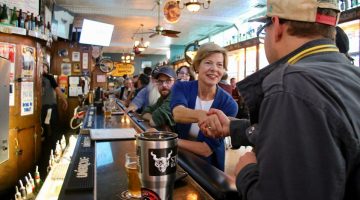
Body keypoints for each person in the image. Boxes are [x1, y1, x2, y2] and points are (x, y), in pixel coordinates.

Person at [199, 0, 360, 199]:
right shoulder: (351, 75)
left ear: (276, 26)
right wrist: (234, 128)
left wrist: (246, 172)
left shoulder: (290, 85)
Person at [170, 42, 238, 171]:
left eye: (220, 65)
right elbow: (178, 113)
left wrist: (170, 142)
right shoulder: (182, 87)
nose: (214, 69)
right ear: (197, 66)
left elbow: (205, 149)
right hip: (180, 161)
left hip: (208, 169)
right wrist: (201, 115)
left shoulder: (229, 104)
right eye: (208, 63)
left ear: (223, 71)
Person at [41, 63, 68, 150]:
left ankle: (49, 146)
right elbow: (57, 90)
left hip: (45, 107)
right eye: (43, 68)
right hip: (49, 106)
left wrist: (64, 100)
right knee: (53, 127)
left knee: (46, 127)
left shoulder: (47, 77)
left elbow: (57, 89)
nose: (44, 70)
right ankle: (54, 146)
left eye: (44, 68)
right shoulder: (48, 77)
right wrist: (64, 101)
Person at [141, 66, 176, 131]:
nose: (164, 85)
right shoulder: (162, 99)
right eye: (160, 82)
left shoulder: (175, 97)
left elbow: (153, 122)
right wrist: (156, 120)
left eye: (168, 81)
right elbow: (145, 112)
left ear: (175, 82)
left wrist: (154, 119)